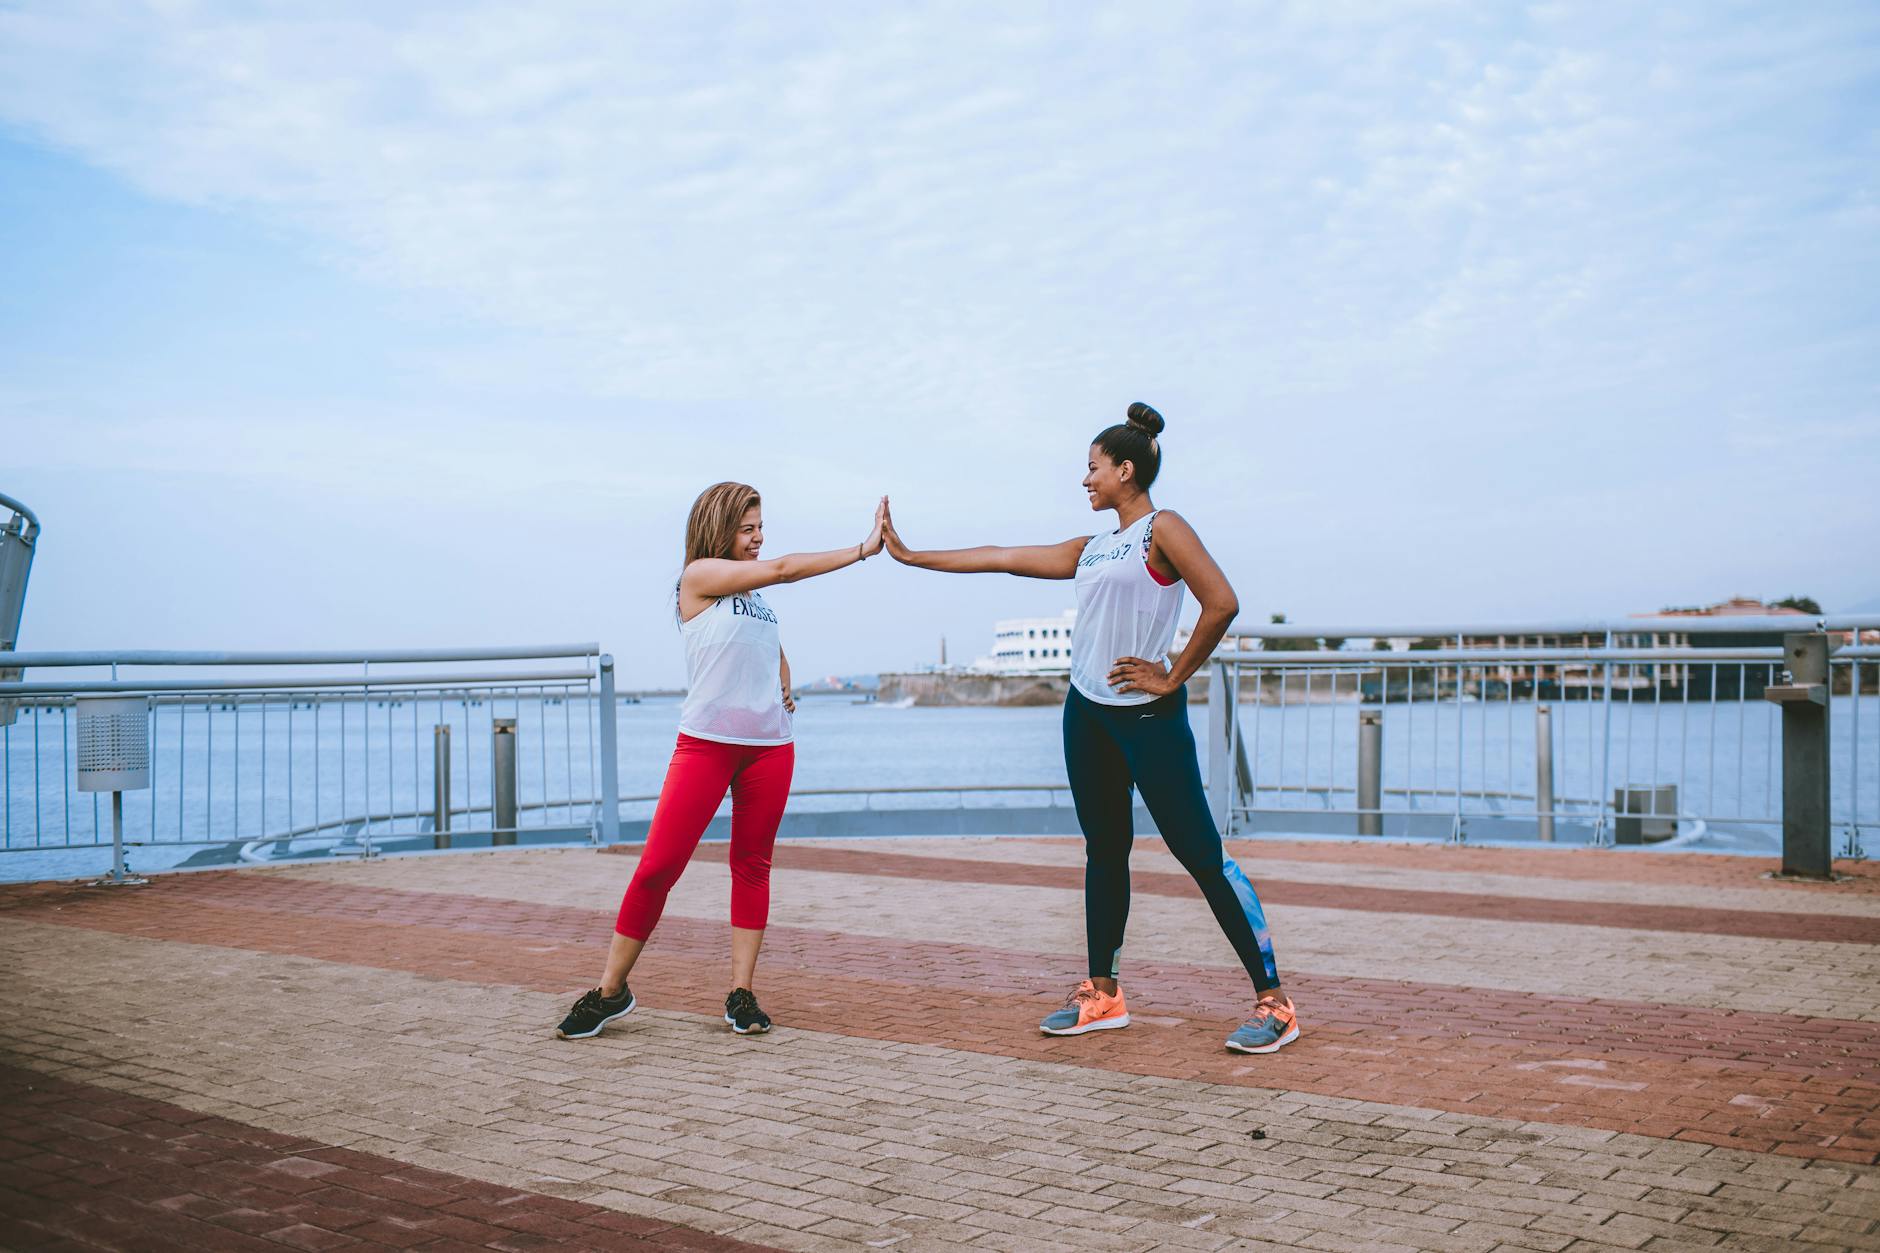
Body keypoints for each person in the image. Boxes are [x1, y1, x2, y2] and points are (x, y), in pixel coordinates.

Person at [882, 404, 1298, 1054]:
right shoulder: (1092, 546)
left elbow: (1222, 602)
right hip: (1088, 714)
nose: (1085, 479)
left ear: (1125, 470)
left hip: (1150, 717)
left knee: (1201, 855)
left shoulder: (1165, 528)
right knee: (1105, 851)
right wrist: (911, 556)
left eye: (1093, 467)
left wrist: (1173, 675)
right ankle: (1102, 992)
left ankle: (1274, 1001)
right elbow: (1002, 556)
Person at [557, 482, 886, 1040]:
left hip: (770, 748)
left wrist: (783, 684)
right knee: (659, 867)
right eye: (747, 529)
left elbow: (772, 651)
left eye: (761, 529)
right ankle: (611, 991)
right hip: (705, 745)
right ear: (718, 528)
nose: (758, 539)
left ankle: (741, 993)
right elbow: (783, 568)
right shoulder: (699, 577)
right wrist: (860, 550)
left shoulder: (757, 600)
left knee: (751, 865)